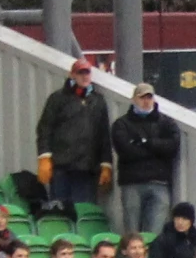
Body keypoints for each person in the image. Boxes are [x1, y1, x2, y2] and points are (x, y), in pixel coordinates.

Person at [35, 56, 111, 210]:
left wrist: (106, 164)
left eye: (87, 73)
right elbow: (45, 128)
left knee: (84, 210)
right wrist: (44, 157)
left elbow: (104, 135)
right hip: (61, 167)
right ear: (72, 75)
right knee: (60, 211)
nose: (84, 76)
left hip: (87, 169)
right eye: (81, 73)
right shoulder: (57, 98)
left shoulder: (98, 101)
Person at [110, 83, 182, 236]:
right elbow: (125, 151)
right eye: (142, 97)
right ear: (134, 99)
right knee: (132, 234)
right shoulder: (121, 124)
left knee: (154, 235)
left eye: (149, 97)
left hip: (160, 183)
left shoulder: (167, 123)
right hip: (132, 184)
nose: (146, 101)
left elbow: (173, 147)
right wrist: (157, 150)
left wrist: (145, 143)